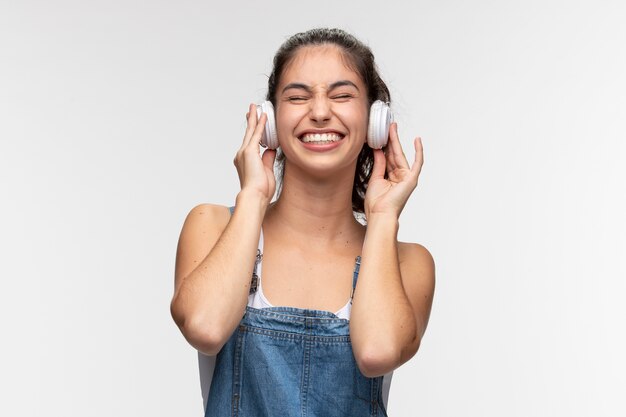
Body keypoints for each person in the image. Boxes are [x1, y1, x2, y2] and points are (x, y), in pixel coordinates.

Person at [170, 28, 435, 416]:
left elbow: (377, 352)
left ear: (376, 120)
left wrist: (382, 219)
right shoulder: (211, 226)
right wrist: (253, 197)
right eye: (297, 97)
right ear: (270, 121)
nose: (320, 111)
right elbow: (205, 328)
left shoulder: (409, 263)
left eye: (342, 95)